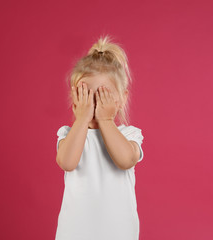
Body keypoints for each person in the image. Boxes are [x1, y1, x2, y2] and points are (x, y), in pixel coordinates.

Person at [55, 34, 144, 240]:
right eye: (87, 96)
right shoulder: (69, 134)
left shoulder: (129, 135)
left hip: (119, 233)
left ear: (122, 99)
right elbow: (67, 162)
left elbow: (125, 160)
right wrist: (82, 119)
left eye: (102, 97)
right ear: (75, 98)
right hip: (74, 233)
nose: (94, 106)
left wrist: (106, 121)